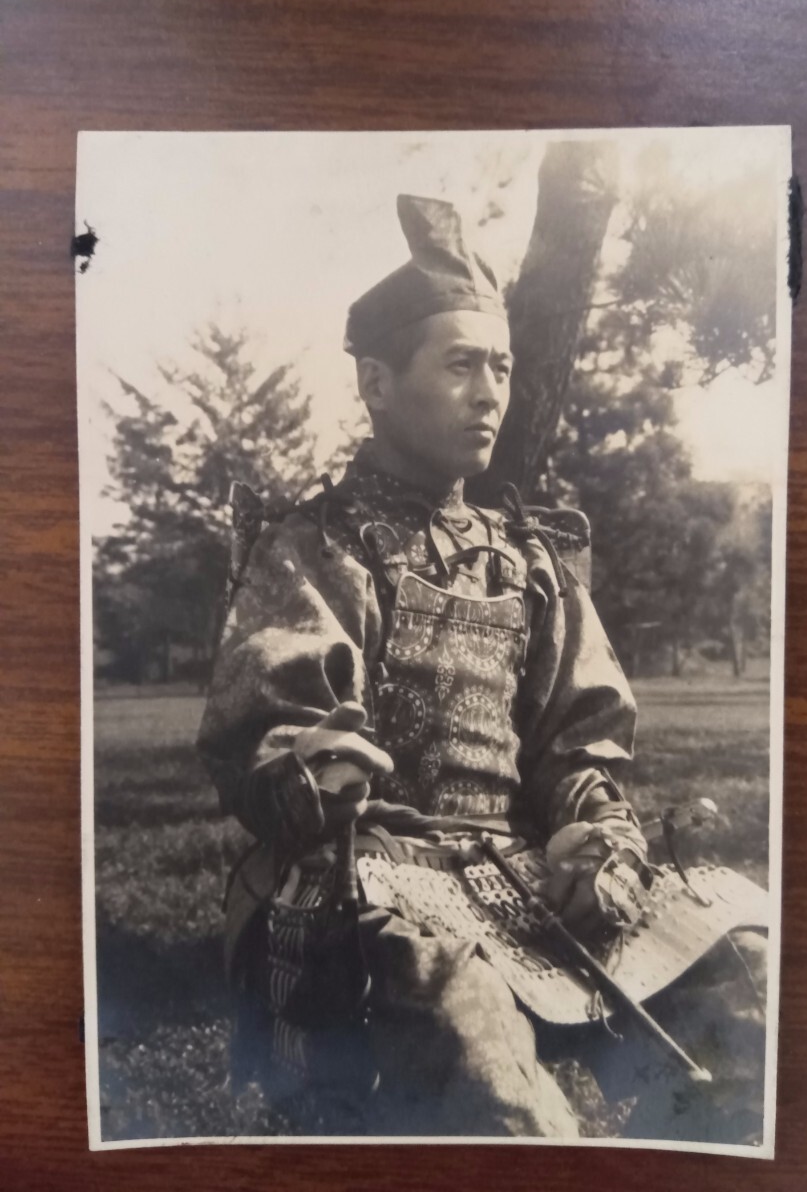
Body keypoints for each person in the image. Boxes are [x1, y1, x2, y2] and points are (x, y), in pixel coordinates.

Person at [197, 194, 767, 1141]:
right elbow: (272, 729)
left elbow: (577, 745)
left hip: (520, 877)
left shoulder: (527, 561)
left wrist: (596, 838)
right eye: (461, 364)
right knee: (481, 1054)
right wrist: (315, 761)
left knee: (747, 977)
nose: (491, 391)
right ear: (376, 383)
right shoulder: (319, 546)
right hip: (372, 882)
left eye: (501, 366)